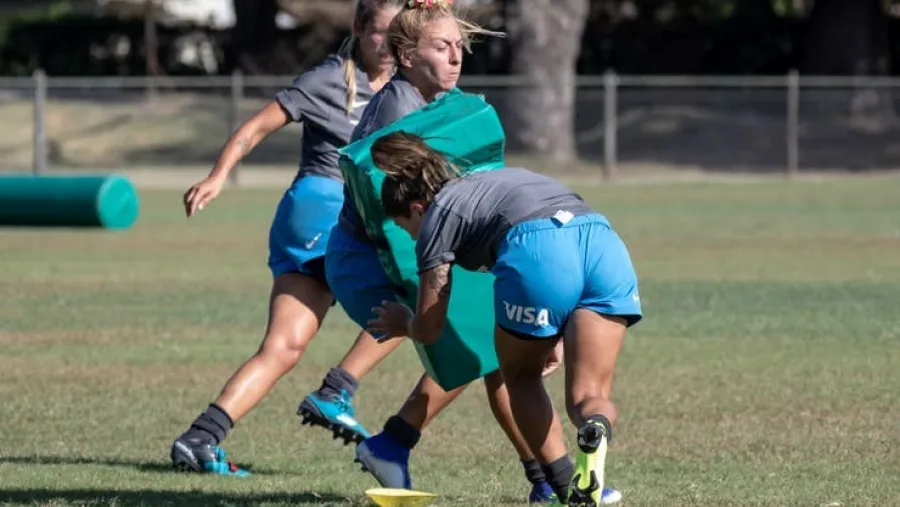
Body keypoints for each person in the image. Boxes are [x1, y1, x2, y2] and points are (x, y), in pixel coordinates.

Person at [317, 1, 614, 504]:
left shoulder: (432, 103)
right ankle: (548, 482)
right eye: (442, 48)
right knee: (491, 345)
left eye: (459, 47)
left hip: (412, 241)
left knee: (501, 351)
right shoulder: (400, 108)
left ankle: (538, 480)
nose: (456, 59)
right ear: (406, 55)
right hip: (376, 251)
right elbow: (386, 205)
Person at [170, 0, 409, 476]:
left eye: (399, 36)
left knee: (283, 347)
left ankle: (200, 438)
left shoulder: (407, 87)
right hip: (325, 210)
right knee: (415, 300)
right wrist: (218, 177)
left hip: (332, 218)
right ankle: (336, 390)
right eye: (381, 33)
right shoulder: (329, 78)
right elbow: (256, 126)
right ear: (359, 28)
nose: (389, 46)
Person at [367, 131, 642, 506]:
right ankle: (595, 430)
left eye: (405, 228)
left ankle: (564, 489)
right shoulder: (489, 180)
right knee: (589, 396)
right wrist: (553, 333)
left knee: (520, 377)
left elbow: (431, 328)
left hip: (540, 251)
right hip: (602, 242)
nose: (412, 238)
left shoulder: (437, 218)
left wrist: (404, 322)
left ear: (416, 208)